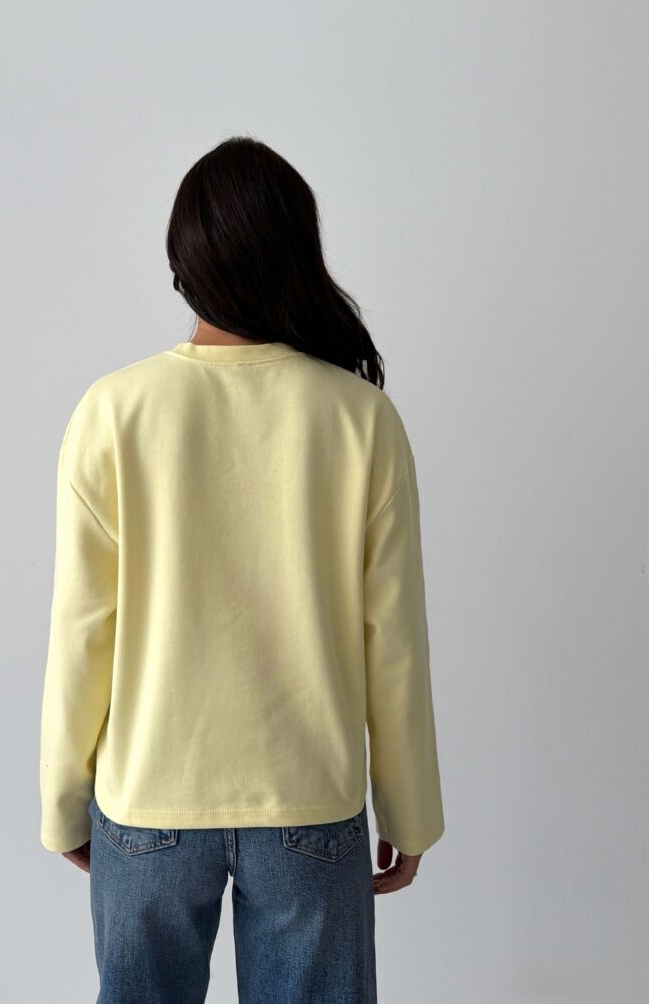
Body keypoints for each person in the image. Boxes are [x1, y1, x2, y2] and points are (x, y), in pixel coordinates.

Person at [39, 135, 445, 1003]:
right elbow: (394, 641)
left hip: (149, 803)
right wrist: (410, 808)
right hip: (309, 803)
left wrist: (61, 800)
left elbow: (82, 630)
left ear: (182, 262)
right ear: (299, 255)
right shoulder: (361, 419)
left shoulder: (113, 412)